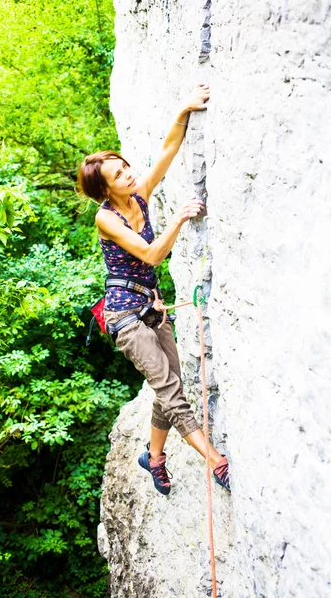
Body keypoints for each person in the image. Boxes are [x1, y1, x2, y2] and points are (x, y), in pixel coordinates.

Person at [78, 84, 230, 495]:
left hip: (151, 306)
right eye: (119, 174)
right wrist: (178, 219)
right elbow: (151, 256)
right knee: (170, 390)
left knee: (170, 385)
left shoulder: (138, 196)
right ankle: (215, 460)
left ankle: (154, 457)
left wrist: (183, 108)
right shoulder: (107, 218)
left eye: (126, 167)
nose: (129, 174)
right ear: (105, 189)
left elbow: (166, 151)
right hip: (125, 316)